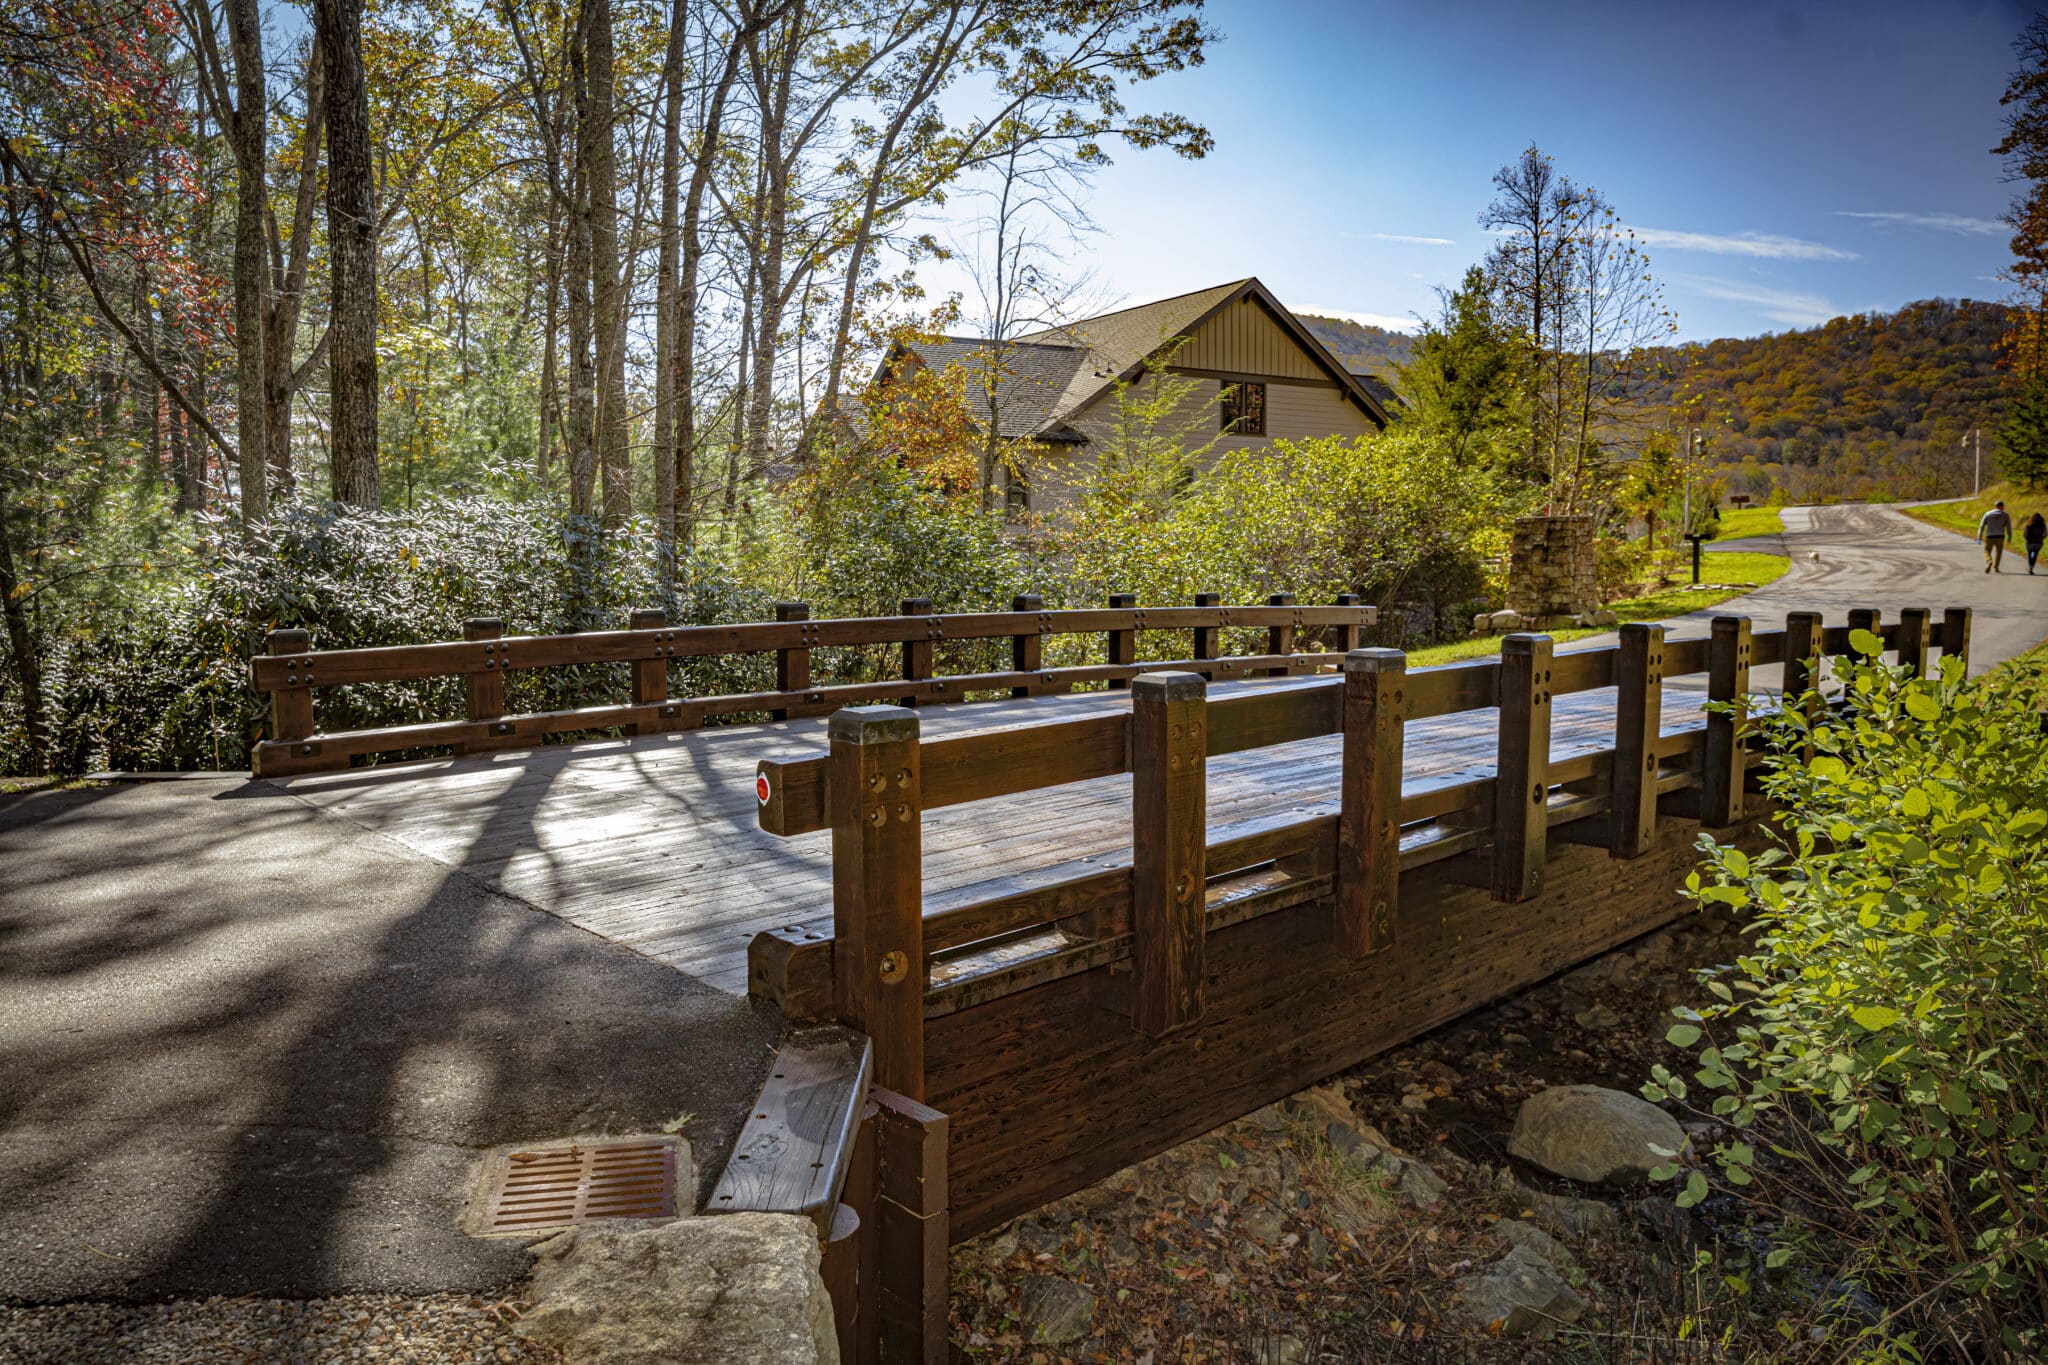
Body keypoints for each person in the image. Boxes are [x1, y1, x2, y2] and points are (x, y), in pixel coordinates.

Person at [1979, 500, 2013, 573]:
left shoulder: (1988, 514)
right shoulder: (2006, 515)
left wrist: (1979, 537)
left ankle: (1989, 561)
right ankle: (1996, 568)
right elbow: (2009, 528)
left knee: (1987, 550)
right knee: (1998, 552)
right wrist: (2009, 537)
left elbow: (1981, 526)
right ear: (2002, 506)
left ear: (1995, 506)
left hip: (1990, 535)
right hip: (2000, 536)